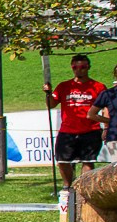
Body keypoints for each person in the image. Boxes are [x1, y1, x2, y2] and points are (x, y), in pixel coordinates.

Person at [45, 54, 107, 185]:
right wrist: (48, 93)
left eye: (83, 67)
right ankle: (68, 186)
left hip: (91, 129)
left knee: (88, 161)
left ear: (88, 67)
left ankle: (83, 188)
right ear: (72, 68)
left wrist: (106, 127)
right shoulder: (64, 86)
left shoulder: (98, 86)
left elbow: (106, 108)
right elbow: (51, 104)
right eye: (76, 67)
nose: (79, 70)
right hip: (67, 130)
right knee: (62, 161)